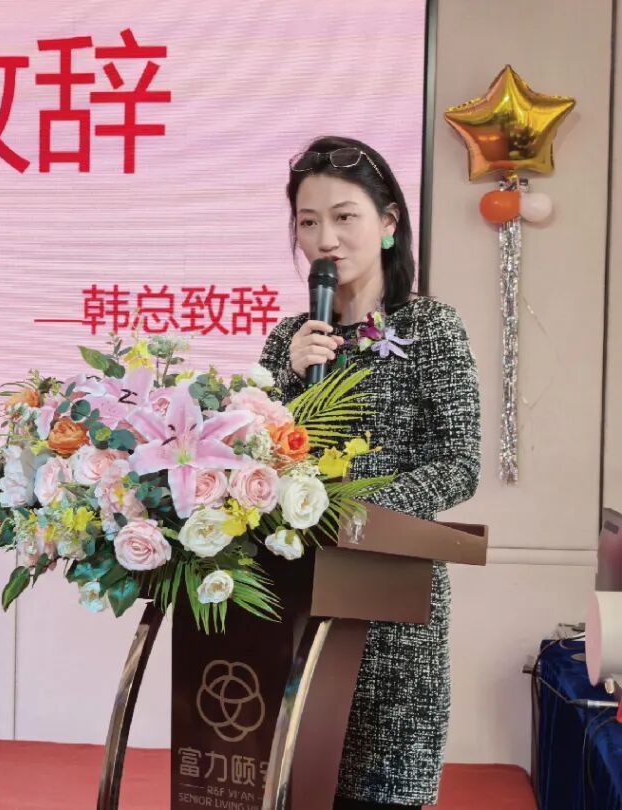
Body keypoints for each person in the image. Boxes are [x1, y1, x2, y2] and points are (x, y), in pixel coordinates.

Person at [257, 135, 482, 809]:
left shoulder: (430, 327)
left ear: (387, 223)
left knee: (379, 792)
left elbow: (459, 461)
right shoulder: (287, 340)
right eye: (308, 221)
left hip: (392, 608)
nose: (325, 239)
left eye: (344, 216)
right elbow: (255, 461)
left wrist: (354, 510)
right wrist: (285, 378)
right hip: (294, 603)